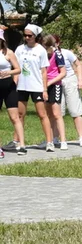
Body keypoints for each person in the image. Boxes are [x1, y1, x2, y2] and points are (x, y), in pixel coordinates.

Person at [15, 25, 52, 154]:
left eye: (29, 35)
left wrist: (45, 89)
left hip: (36, 86)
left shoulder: (41, 50)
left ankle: (49, 142)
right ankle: (19, 142)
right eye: (25, 35)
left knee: (42, 114)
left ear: (35, 36)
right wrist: (15, 81)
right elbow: (16, 67)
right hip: (22, 86)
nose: (27, 38)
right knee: (20, 115)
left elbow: (43, 72)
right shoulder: (20, 49)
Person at [56, 35, 82, 146]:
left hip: (69, 80)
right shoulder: (47, 55)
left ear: (58, 43)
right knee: (58, 112)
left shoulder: (66, 53)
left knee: (75, 110)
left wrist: (80, 80)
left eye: (54, 43)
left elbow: (77, 65)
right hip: (56, 83)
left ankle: (81, 137)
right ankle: (56, 137)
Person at [40, 35, 68, 149]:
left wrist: (50, 82)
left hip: (55, 85)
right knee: (48, 114)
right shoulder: (43, 54)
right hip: (44, 84)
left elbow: (63, 73)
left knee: (57, 114)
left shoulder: (58, 55)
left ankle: (63, 141)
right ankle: (50, 139)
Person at [0, 34, 22, 155]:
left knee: (14, 116)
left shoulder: (8, 53)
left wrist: (8, 72)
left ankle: (21, 145)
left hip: (8, 84)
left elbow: (18, 69)